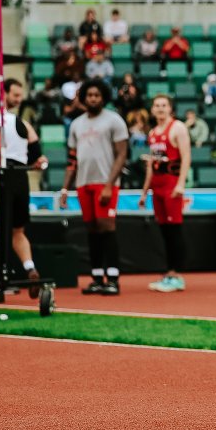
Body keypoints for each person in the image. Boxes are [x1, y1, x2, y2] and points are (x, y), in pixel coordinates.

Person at [58, 80, 128, 295]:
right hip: (83, 183)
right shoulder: (76, 124)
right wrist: (64, 189)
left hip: (105, 182)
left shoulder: (114, 120)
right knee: (91, 229)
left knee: (106, 227)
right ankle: (97, 277)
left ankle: (113, 278)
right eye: (89, 95)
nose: (93, 99)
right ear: (83, 97)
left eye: (97, 95)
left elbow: (122, 154)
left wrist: (109, 185)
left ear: (103, 97)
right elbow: (72, 161)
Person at [0, 79, 46, 298]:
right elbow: (39, 157)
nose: (19, 100)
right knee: (18, 231)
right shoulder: (23, 124)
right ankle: (29, 267)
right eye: (15, 95)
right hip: (20, 178)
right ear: (3, 93)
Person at [139, 94, 191, 293]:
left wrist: (181, 184)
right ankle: (169, 273)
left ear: (170, 108)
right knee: (164, 230)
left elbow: (186, 157)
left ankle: (176, 275)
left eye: (164, 105)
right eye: (157, 105)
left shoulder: (177, 128)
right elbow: (152, 165)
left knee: (174, 230)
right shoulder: (152, 133)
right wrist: (145, 192)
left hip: (171, 185)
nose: (160, 108)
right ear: (152, 110)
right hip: (157, 187)